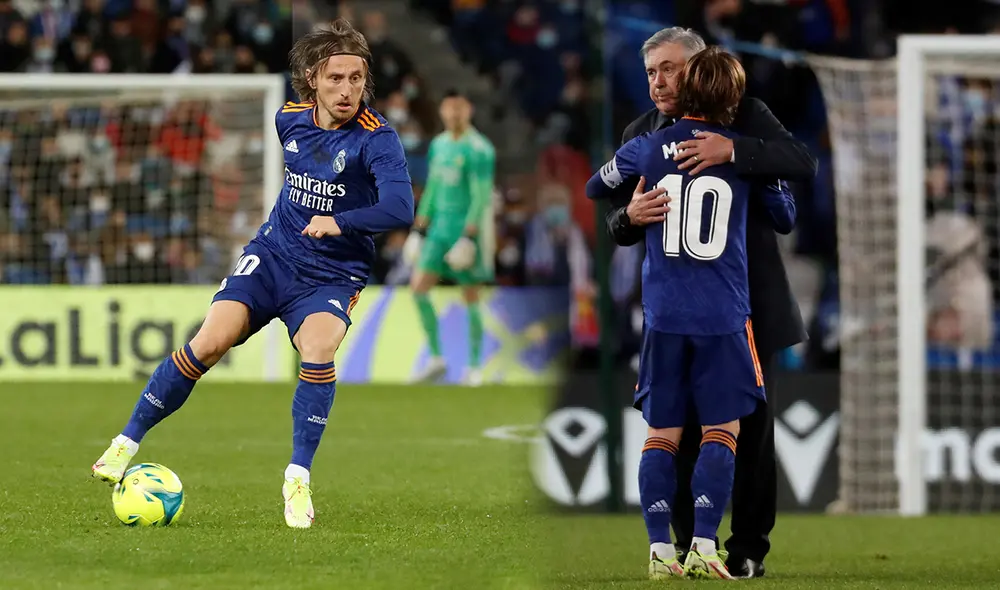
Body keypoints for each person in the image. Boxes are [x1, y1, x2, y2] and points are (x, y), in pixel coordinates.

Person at [90, 19, 415, 529]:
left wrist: (341, 220)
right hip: (274, 256)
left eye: (356, 78)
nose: (348, 89)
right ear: (312, 78)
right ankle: (124, 442)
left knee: (319, 349)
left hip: (333, 274)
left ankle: (298, 478)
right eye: (336, 78)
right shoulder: (289, 119)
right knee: (209, 343)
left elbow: (400, 208)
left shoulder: (378, 139)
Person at [603, 28, 814, 578]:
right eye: (651, 72)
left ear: (699, 69)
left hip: (746, 305)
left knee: (752, 431)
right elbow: (614, 218)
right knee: (681, 430)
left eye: (670, 69)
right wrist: (629, 217)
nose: (659, 82)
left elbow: (800, 162)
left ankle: (746, 547)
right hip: (674, 310)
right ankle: (688, 546)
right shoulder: (641, 132)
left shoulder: (745, 115)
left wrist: (736, 150)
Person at [401, 90, 496, 386]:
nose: (454, 113)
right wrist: (419, 228)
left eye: (459, 108)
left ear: (468, 110)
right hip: (438, 230)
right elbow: (432, 189)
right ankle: (437, 359)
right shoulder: (439, 145)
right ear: (442, 110)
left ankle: (474, 366)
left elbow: (481, 197)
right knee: (418, 288)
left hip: (463, 231)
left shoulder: (479, 149)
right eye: (449, 108)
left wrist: (469, 236)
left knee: (470, 295)